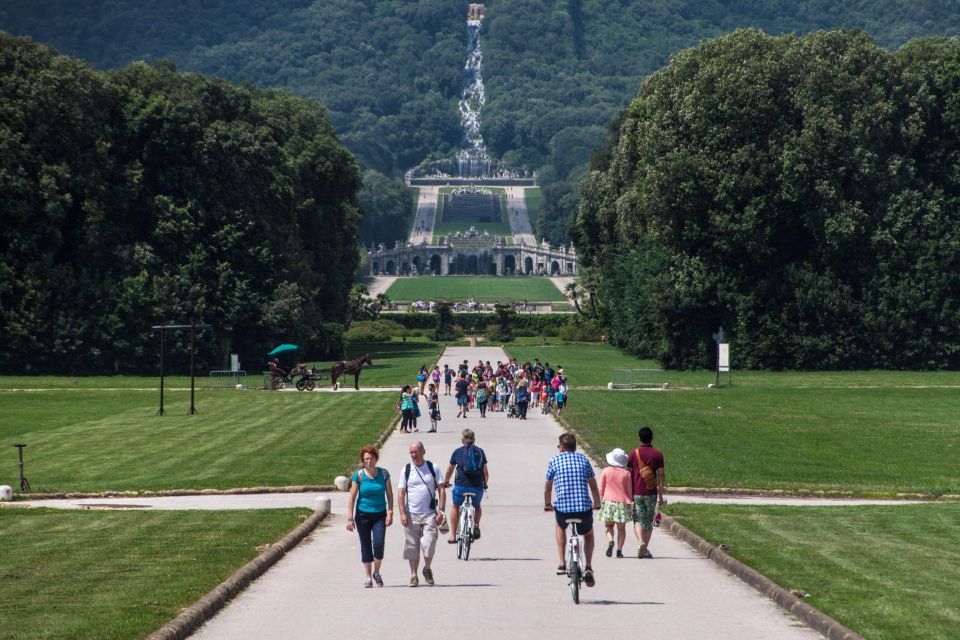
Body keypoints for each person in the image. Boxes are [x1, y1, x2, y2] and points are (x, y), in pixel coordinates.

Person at [545, 433, 600, 586]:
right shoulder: (583, 460)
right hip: (583, 509)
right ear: (575, 447)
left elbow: (548, 488)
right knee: (588, 534)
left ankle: (562, 563)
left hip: (563, 509)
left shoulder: (554, 460)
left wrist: (547, 504)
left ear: (561, 447)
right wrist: (597, 503)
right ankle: (588, 566)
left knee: (560, 526)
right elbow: (594, 487)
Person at [398, 441, 446, 587]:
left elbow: (441, 490)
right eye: (411, 452)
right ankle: (413, 575)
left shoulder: (433, 468)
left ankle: (427, 568)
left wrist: (441, 511)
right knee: (412, 546)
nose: (414, 455)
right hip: (411, 513)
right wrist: (402, 513)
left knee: (429, 543)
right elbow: (401, 493)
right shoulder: (406, 470)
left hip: (430, 514)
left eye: (416, 451)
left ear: (423, 451)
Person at [346, 445, 394, 588]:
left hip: (380, 514)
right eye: (366, 459)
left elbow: (390, 496)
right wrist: (350, 518)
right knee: (366, 545)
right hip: (362, 515)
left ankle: (377, 572)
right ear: (362, 460)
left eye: (371, 458)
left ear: (376, 458)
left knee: (378, 544)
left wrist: (390, 512)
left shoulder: (384, 474)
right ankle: (368, 577)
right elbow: (352, 498)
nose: (369, 461)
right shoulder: (359, 475)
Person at [627, 426, 666, 559]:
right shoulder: (658, 454)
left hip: (636, 492)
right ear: (652, 438)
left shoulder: (633, 453)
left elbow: (629, 475)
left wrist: (628, 493)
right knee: (648, 521)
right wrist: (660, 496)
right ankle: (645, 549)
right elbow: (661, 476)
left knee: (637, 519)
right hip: (651, 493)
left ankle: (640, 542)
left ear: (639, 438)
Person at [444, 429, 489, 543]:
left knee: (455, 506)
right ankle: (476, 525)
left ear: (462, 440)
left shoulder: (457, 452)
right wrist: (485, 485)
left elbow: (450, 470)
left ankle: (453, 536)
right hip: (477, 487)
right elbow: (485, 473)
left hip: (461, 486)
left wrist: (446, 482)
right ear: (474, 440)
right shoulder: (480, 452)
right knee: (477, 505)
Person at [598, 448, 633, 558]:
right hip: (622, 503)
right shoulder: (627, 474)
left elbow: (601, 489)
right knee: (621, 529)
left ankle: (610, 541)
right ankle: (619, 550)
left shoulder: (606, 471)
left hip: (608, 502)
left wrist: (601, 500)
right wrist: (630, 502)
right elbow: (629, 491)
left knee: (609, 526)